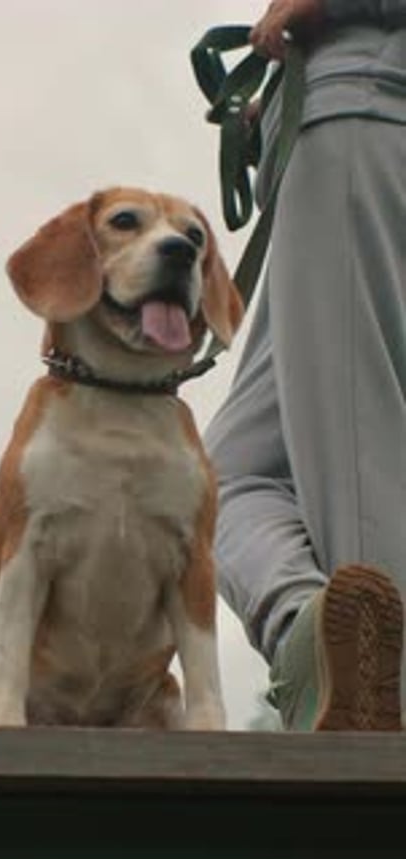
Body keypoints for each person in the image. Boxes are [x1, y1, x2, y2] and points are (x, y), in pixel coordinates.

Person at [205, 0, 406, 730]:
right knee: (221, 477)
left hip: (366, 118)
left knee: (356, 459)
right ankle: (310, 634)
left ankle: (380, 716)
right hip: (344, 116)